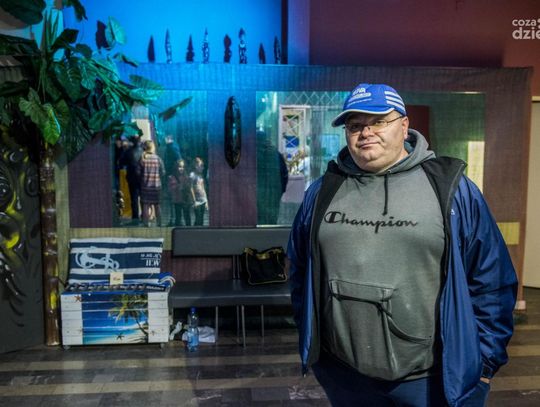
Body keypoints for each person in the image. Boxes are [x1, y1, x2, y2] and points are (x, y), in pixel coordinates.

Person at [287, 83, 517, 407]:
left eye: (379, 121)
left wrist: (484, 364)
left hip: (431, 381)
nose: (366, 132)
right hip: (344, 377)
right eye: (355, 125)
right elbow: (299, 270)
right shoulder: (322, 191)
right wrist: (315, 348)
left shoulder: (451, 190)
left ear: (405, 126)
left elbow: (492, 280)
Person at [139, 140, 165, 227]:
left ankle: (146, 223)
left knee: (145, 205)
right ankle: (159, 223)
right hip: (156, 186)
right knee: (157, 205)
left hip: (145, 186)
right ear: (153, 147)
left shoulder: (143, 159)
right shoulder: (158, 159)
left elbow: (138, 172)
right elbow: (163, 172)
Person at [168, 159, 195, 226]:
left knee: (187, 217)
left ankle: (188, 229)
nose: (181, 168)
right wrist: (177, 187)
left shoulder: (187, 177)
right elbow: (170, 189)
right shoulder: (172, 177)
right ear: (176, 167)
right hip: (177, 200)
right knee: (178, 217)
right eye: (180, 166)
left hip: (185, 200)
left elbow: (190, 188)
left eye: (183, 167)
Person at [190, 157, 208, 226]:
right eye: (201, 166)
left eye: (203, 166)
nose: (203, 168)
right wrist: (194, 201)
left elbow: (203, 188)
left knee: (201, 219)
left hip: (203, 200)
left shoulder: (201, 175)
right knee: (198, 218)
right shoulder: (192, 175)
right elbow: (191, 188)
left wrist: (206, 201)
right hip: (197, 201)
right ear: (196, 166)